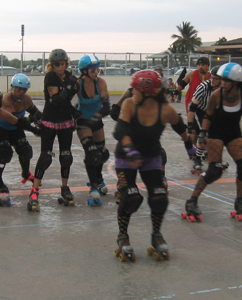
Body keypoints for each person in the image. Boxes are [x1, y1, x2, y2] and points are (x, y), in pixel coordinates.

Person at [113, 70, 196, 262]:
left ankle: (156, 235)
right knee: (131, 198)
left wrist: (190, 147)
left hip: (151, 157)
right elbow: (120, 130)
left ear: (148, 92)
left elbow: (180, 127)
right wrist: (131, 149)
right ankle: (122, 236)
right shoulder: (129, 104)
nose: (132, 92)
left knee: (159, 197)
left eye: (136, 89)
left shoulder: (165, 110)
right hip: (126, 156)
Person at [183, 63, 242, 222]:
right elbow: (208, 116)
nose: (222, 83)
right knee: (214, 171)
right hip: (215, 134)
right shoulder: (216, 95)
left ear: (236, 81)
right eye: (221, 80)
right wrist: (202, 135)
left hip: (233, 134)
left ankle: (239, 200)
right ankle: (192, 200)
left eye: (226, 80)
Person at [28, 49, 80, 211]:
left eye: (63, 64)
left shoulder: (69, 77)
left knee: (66, 156)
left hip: (65, 120)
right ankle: (34, 190)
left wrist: (73, 109)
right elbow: (55, 100)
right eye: (57, 64)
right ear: (52, 65)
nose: (60, 67)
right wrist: (71, 87)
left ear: (66, 64)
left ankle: (64, 188)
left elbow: (67, 99)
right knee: (46, 157)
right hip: (50, 120)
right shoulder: (50, 77)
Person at [0, 73, 41, 187]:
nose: (22, 92)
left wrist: (41, 122)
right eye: (19, 89)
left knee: (26, 151)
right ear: (13, 87)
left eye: (24, 89)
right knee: (5, 152)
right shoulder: (6, 99)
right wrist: (34, 129)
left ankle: (26, 174)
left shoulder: (27, 99)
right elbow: (17, 120)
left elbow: (36, 113)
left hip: (14, 127)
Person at [75, 54, 110, 205]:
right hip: (83, 122)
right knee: (92, 153)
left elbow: (107, 107)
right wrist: (74, 115)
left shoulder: (100, 83)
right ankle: (94, 186)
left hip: (96, 120)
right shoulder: (78, 84)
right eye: (93, 70)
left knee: (102, 153)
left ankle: (98, 178)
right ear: (84, 71)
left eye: (97, 69)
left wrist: (97, 117)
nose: (97, 73)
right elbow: (69, 104)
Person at [188, 66, 222, 174]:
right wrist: (190, 125)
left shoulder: (224, 88)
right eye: (211, 77)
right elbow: (192, 107)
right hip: (201, 111)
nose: (212, 80)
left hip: (214, 112)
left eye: (216, 79)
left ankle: (214, 157)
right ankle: (197, 159)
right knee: (204, 135)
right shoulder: (203, 87)